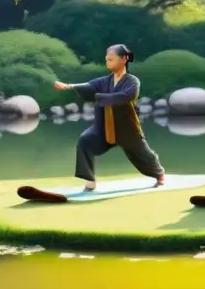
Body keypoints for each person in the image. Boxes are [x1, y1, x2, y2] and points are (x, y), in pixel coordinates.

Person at [53, 44, 165, 191]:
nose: (108, 62)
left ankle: (159, 174)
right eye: (107, 59)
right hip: (103, 127)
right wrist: (69, 86)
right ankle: (89, 180)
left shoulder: (132, 81)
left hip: (127, 128)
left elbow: (126, 96)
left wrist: (100, 97)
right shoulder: (104, 81)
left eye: (111, 59)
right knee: (85, 141)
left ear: (124, 59)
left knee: (143, 154)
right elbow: (89, 86)